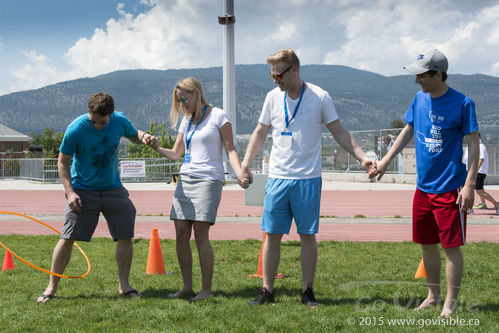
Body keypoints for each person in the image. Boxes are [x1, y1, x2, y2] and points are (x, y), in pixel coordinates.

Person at [238, 49, 374, 307]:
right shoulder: (271, 98)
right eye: (271, 74)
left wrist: (363, 157)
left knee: (307, 236)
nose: (274, 79)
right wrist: (245, 165)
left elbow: (339, 132)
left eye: (278, 75)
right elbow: (259, 133)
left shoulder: (319, 97)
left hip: (308, 179)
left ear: (294, 71)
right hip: (277, 178)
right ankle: (267, 290)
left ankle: (307, 292)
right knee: (271, 234)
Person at [371, 49, 480, 317]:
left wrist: (469, 185)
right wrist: (385, 161)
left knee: (451, 247)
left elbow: (474, 145)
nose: (417, 80)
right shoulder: (419, 99)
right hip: (423, 189)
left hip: (450, 189)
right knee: (427, 244)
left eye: (421, 75)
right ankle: (433, 295)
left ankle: (450, 303)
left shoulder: (463, 103)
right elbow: (408, 130)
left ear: (438, 75)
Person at [37, 92, 158, 303]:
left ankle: (124, 286)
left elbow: (134, 134)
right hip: (82, 189)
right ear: (89, 112)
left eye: (102, 122)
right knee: (67, 237)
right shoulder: (75, 128)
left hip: (113, 188)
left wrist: (144, 136)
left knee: (125, 235)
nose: (97, 125)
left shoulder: (119, 119)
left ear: (110, 115)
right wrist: (70, 192)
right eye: (93, 120)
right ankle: (51, 287)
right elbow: (62, 162)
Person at [151, 77, 244, 301]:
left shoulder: (219, 115)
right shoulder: (186, 120)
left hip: (209, 180)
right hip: (185, 179)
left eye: (184, 98)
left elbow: (230, 149)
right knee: (181, 233)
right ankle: (187, 287)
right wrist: (156, 147)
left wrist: (239, 172)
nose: (182, 104)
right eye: (179, 101)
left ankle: (206, 289)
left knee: (200, 234)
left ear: (196, 93)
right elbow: (175, 154)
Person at [463, 134, 498, 214]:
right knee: (476, 190)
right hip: (472, 171)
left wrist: (474, 171)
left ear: (478, 137)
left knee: (478, 191)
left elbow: (481, 159)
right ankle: (478, 205)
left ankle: (496, 204)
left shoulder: (480, 146)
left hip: (478, 172)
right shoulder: (471, 146)